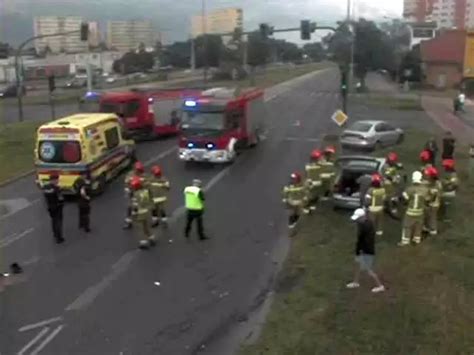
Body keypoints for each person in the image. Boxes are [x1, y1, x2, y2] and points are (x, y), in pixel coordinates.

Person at [346, 208, 385, 294]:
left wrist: (360, 250)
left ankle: (380, 286)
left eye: (358, 219)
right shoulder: (365, 223)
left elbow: (363, 240)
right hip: (363, 250)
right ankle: (355, 282)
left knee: (369, 270)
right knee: (357, 265)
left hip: (366, 250)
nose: (356, 220)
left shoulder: (365, 227)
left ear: (362, 217)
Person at [399, 171, 428, 247]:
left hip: (410, 211)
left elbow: (404, 199)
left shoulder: (409, 189)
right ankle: (417, 239)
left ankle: (405, 240)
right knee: (418, 226)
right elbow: (428, 199)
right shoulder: (425, 190)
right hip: (420, 211)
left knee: (407, 226)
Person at [130, 176, 156, 249]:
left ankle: (143, 243)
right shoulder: (145, 191)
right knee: (147, 227)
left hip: (140, 213)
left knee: (141, 228)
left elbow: (135, 206)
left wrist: (133, 214)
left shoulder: (135, 195)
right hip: (147, 211)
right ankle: (151, 238)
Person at [123, 161, 148, 229]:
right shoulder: (130, 174)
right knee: (130, 207)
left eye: (140, 170)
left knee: (139, 207)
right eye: (138, 170)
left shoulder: (144, 176)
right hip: (132, 192)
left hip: (140, 193)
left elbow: (146, 185)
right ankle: (129, 222)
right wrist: (127, 190)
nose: (139, 172)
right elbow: (126, 183)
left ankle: (140, 218)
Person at [42, 173, 65, 244]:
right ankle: (59, 238)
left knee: (53, 221)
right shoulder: (57, 189)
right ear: (54, 180)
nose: (58, 181)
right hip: (57, 206)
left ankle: (55, 234)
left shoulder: (46, 187)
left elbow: (45, 196)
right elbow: (60, 198)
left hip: (50, 207)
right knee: (58, 222)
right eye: (57, 179)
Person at [423, 166, 442, 236]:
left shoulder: (437, 184)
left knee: (432, 216)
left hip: (434, 203)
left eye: (428, 175)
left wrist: (428, 201)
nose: (426, 176)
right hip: (430, 202)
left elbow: (434, 196)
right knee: (427, 215)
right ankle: (426, 226)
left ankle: (433, 229)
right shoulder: (430, 182)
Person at [441, 159, 459, 223]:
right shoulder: (447, 173)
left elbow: (455, 184)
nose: (444, 167)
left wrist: (446, 183)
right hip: (445, 192)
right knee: (445, 205)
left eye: (445, 166)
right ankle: (444, 216)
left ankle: (447, 218)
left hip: (449, 192)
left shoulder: (453, 174)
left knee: (447, 206)